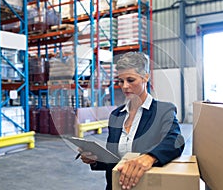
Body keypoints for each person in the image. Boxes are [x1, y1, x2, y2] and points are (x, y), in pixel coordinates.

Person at [79, 52, 185, 190]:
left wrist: (150, 157)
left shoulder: (163, 110)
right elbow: (115, 160)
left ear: (145, 77)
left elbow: (176, 140)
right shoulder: (116, 116)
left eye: (130, 80)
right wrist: (95, 160)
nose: (124, 86)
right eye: (120, 81)